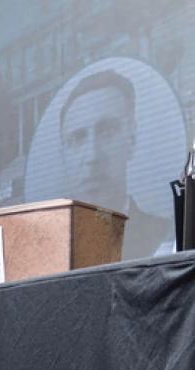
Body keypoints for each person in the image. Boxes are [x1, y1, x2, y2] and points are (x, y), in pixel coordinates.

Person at [59, 69, 171, 260]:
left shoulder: (167, 235)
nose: (92, 156)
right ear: (63, 155)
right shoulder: (46, 249)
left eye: (107, 131)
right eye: (77, 139)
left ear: (132, 140)